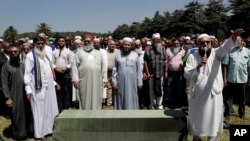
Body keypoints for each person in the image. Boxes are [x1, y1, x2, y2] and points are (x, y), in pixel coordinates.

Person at [184, 29, 244, 141]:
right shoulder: (192, 56)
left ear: (211, 43)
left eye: (208, 42)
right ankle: (196, 138)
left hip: (214, 95)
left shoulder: (217, 54)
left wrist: (234, 37)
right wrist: (198, 66)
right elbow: (186, 74)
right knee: (198, 121)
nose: (205, 44)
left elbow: (225, 47)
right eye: (202, 42)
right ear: (198, 44)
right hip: (198, 96)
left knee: (213, 121)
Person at [24, 36, 59, 139]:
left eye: (42, 43)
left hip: (48, 87)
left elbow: (48, 71)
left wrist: (54, 82)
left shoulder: (45, 55)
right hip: (37, 88)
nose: (40, 45)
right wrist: (28, 89)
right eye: (38, 43)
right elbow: (27, 74)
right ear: (34, 44)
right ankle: (39, 134)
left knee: (49, 109)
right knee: (39, 111)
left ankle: (48, 130)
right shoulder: (30, 56)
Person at [1, 46, 33, 140]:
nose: (13, 53)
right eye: (11, 52)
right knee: (17, 115)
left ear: (19, 52)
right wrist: (7, 98)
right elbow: (4, 83)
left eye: (16, 51)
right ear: (9, 53)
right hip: (14, 95)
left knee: (27, 114)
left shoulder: (23, 65)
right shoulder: (6, 66)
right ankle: (19, 136)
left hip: (26, 94)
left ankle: (28, 132)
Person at [71, 34, 106, 110]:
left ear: (92, 42)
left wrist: (105, 79)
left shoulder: (98, 53)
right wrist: (75, 79)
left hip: (96, 81)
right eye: (85, 41)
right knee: (84, 97)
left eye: (88, 41)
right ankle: (84, 114)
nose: (86, 43)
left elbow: (103, 67)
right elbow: (74, 67)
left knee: (96, 97)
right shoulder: (79, 53)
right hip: (83, 80)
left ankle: (96, 114)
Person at [222, 36, 250, 120]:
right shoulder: (229, 51)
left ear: (242, 41)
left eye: (238, 41)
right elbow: (225, 65)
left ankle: (242, 114)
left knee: (242, 98)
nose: (236, 42)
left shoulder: (248, 51)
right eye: (235, 41)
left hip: (243, 79)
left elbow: (249, 67)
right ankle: (227, 113)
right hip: (231, 78)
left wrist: (249, 79)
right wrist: (224, 78)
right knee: (228, 98)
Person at [112, 37, 142, 110]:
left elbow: (139, 69)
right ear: (122, 45)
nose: (126, 46)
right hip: (120, 82)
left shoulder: (135, 55)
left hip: (132, 82)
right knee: (121, 97)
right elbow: (114, 69)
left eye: (128, 45)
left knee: (132, 97)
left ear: (131, 46)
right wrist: (114, 82)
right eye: (125, 44)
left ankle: (132, 114)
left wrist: (139, 82)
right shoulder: (118, 55)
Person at [144, 33, 166, 109]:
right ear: (152, 39)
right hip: (151, 73)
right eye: (156, 39)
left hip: (160, 73)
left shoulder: (163, 48)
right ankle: (152, 104)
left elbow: (165, 60)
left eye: (158, 39)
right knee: (151, 90)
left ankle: (159, 104)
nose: (157, 40)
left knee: (160, 88)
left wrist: (165, 71)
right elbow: (145, 62)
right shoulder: (148, 49)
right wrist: (147, 73)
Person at [52, 36, 74, 112]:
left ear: (65, 42)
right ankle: (59, 107)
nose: (61, 42)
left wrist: (66, 68)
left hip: (66, 74)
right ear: (57, 42)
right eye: (60, 41)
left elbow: (71, 62)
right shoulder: (54, 52)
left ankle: (66, 107)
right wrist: (55, 68)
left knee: (66, 90)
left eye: (63, 41)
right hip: (57, 73)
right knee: (58, 90)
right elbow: (51, 62)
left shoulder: (69, 52)